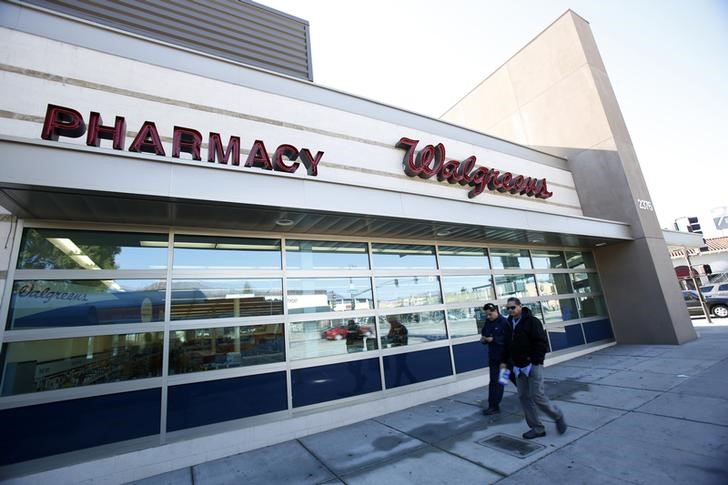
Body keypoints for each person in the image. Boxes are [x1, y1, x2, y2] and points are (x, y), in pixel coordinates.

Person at [500, 297, 567, 439]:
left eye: (513, 307)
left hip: (532, 365)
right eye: (508, 308)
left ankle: (557, 415)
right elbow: (507, 345)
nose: (510, 310)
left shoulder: (532, 321)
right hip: (518, 368)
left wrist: (536, 360)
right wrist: (506, 363)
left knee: (537, 396)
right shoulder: (508, 324)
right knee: (524, 397)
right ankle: (537, 428)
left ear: (520, 306)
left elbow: (541, 342)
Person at [480, 302, 508, 415]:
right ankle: (493, 406)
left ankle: (531, 397)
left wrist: (494, 339)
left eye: (490, 314)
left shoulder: (504, 322)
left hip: (505, 359)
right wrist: (483, 339)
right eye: (486, 315)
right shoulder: (488, 322)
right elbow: (484, 334)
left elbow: (508, 339)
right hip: (493, 358)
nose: (488, 317)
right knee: (494, 382)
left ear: (496, 311)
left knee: (505, 381)